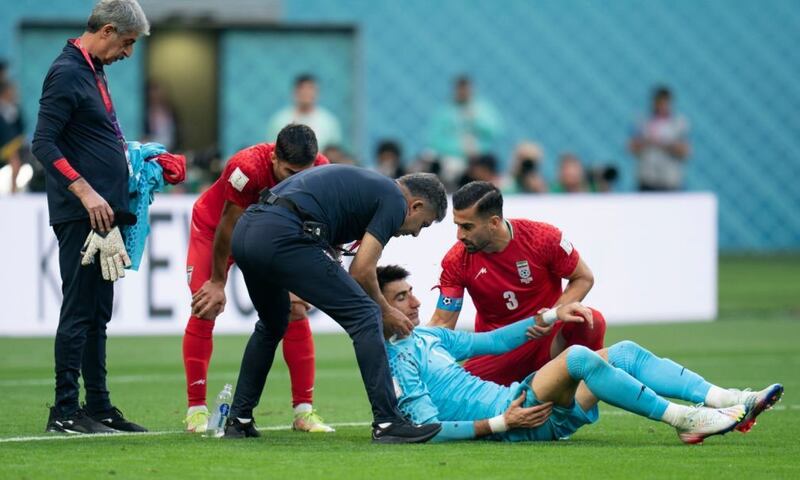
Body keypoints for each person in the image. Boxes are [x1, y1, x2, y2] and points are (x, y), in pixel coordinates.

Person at [379, 264, 784, 444]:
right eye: (401, 297)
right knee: (577, 358)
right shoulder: (393, 363)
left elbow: (497, 342)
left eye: (412, 293)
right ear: (377, 308)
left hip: (522, 404)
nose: (415, 303)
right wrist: (502, 422)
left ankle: (728, 399)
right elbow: (425, 430)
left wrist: (554, 314)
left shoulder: (428, 337)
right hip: (516, 415)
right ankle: (685, 420)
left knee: (623, 352)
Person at [223, 165, 447, 444]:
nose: (416, 233)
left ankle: (239, 419)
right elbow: (362, 270)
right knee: (367, 314)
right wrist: (386, 310)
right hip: (282, 235)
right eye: (423, 224)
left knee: (273, 322)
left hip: (246, 232)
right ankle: (388, 422)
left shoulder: (369, 183)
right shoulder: (394, 200)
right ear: (415, 205)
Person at [31, 0, 150, 434]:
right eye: (128, 43)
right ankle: (64, 410)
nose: (127, 53)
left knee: (98, 312)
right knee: (80, 310)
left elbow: (94, 138)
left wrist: (138, 157)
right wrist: (84, 192)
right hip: (82, 215)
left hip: (104, 217)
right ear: (107, 31)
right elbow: (42, 142)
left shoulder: (91, 71)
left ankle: (97, 405)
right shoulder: (66, 72)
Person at [183, 124, 333, 433]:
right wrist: (217, 282)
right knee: (205, 305)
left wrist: (303, 277)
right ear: (274, 158)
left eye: (302, 174)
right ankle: (196, 410)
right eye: (290, 172)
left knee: (294, 308)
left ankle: (303, 411)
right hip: (216, 231)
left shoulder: (321, 168)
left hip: (268, 238)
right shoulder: (246, 167)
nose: (296, 181)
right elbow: (228, 225)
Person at [429, 181, 605, 387]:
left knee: (590, 320)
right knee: (457, 398)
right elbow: (442, 323)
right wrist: (412, 346)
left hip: (548, 340)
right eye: (457, 225)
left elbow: (583, 277)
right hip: (500, 349)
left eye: (467, 227)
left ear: (494, 222)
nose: (459, 235)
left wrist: (552, 317)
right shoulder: (456, 260)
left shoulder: (541, 238)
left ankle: (573, 394)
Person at [427, 75, 503, 187]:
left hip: (480, 156)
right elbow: (434, 139)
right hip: (452, 158)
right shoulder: (445, 112)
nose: (463, 92)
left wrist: (475, 120)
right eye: (460, 89)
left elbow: (495, 131)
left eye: (466, 89)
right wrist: (460, 150)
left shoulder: (482, 109)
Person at [629, 86, 691, 191]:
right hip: (647, 180)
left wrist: (666, 143)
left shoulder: (679, 123)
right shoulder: (643, 122)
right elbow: (631, 147)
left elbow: (685, 152)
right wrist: (647, 141)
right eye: (658, 102)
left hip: (670, 181)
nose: (661, 106)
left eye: (664, 103)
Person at [266, 74, 342, 151]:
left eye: (310, 89)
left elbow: (333, 152)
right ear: (295, 92)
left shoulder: (328, 122)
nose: (306, 93)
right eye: (302, 89)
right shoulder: (280, 121)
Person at [0, 79, 24, 193]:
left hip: (13, 145)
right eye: (11, 91)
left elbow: (20, 130)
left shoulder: (15, 110)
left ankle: (14, 189)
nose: (14, 94)